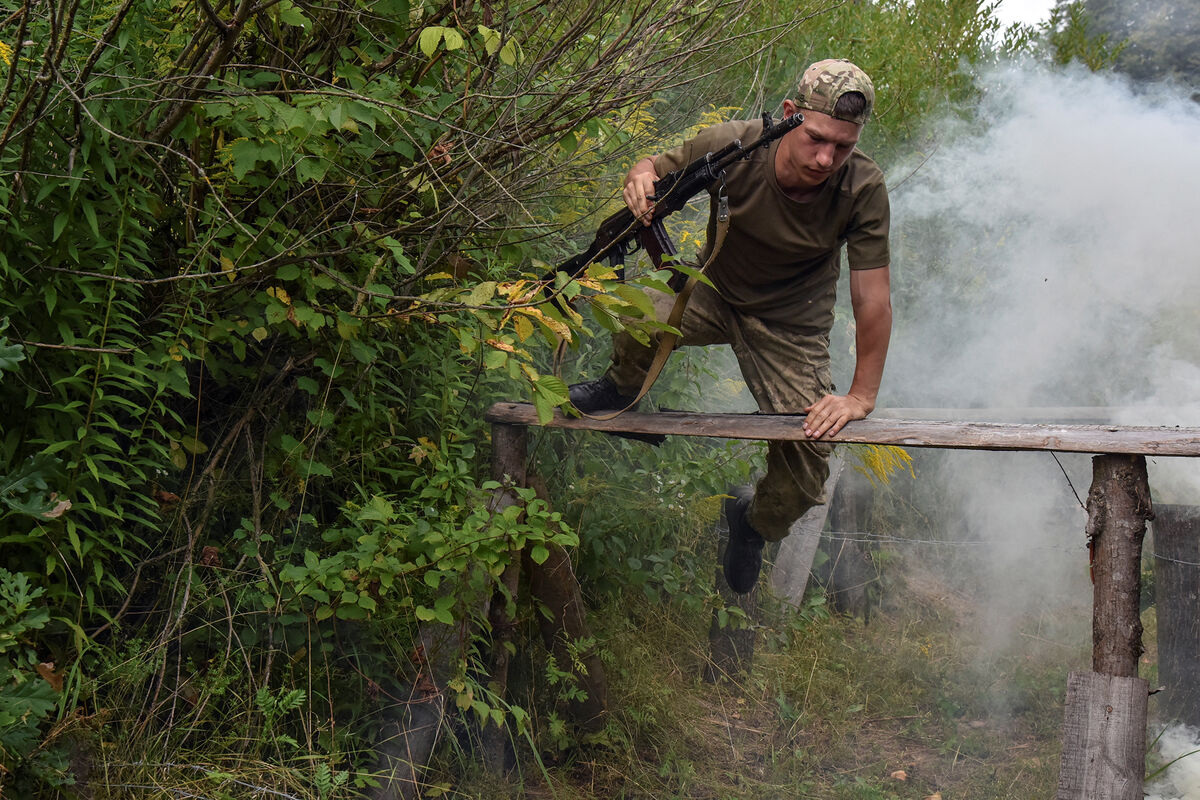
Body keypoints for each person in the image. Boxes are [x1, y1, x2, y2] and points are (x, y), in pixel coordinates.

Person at [569, 59, 893, 594]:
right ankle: (619, 389)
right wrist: (640, 178)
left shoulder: (861, 187)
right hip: (712, 294)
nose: (825, 158)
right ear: (789, 115)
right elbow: (650, 166)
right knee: (633, 310)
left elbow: (872, 298)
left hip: (792, 327)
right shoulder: (735, 146)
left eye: (843, 146)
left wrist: (860, 396)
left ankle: (751, 524)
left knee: (807, 465)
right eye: (815, 138)